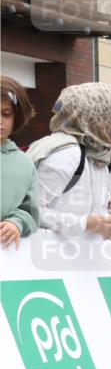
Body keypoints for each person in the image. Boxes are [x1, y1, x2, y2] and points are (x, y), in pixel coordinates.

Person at [27, 82, 111, 240]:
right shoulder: (66, 154)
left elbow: (96, 213)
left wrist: (108, 222)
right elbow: (31, 210)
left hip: (85, 256)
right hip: (49, 255)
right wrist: (85, 224)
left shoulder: (109, 152)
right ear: (102, 117)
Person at [1, 76, 39, 249]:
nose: (0, 120)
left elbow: (30, 212)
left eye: (6, 114)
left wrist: (17, 223)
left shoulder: (24, 164)